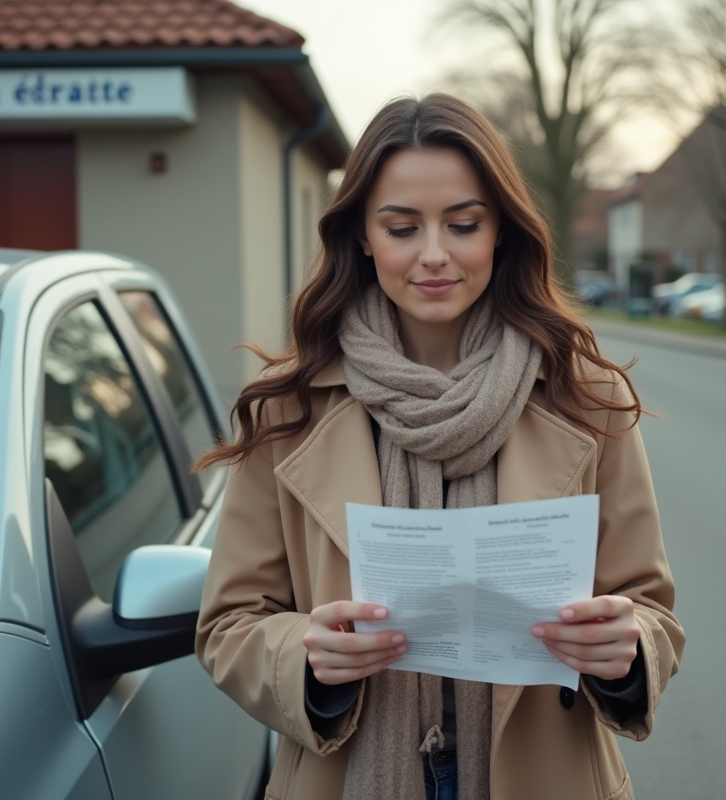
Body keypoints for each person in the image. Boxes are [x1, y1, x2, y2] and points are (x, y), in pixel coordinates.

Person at [195, 93, 684, 800]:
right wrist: (306, 657)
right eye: (401, 227)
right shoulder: (287, 405)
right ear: (363, 235)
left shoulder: (587, 398)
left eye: (463, 224)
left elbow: (651, 608)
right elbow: (230, 625)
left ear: (500, 232)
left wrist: (628, 649)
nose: (433, 255)